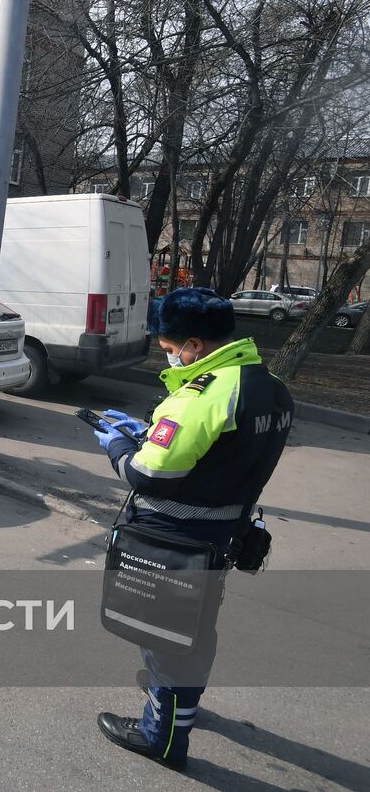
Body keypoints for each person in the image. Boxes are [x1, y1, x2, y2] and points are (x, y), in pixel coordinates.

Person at [91, 287, 293, 771]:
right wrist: (147, 434)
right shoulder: (268, 385)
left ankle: (161, 735)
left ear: (194, 345)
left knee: (167, 634)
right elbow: (222, 455)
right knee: (193, 628)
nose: (168, 354)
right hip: (223, 534)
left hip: (174, 536)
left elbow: (148, 475)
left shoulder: (203, 392)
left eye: (168, 347)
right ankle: (180, 704)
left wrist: (119, 448)